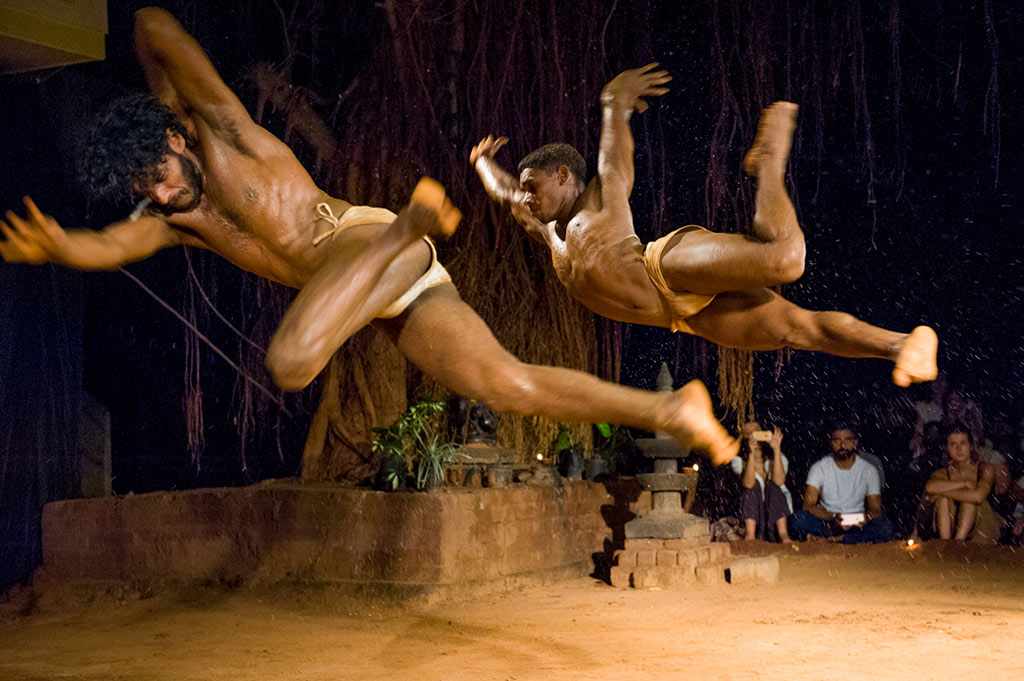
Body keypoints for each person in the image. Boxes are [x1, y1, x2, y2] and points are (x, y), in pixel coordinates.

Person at [0, 9, 738, 465]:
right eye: (144, 191)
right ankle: (670, 409)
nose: (160, 194)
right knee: (506, 383)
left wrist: (160, 85)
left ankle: (412, 225)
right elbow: (112, 248)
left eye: (158, 173)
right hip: (380, 289)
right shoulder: (170, 222)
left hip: (366, 243)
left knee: (290, 360)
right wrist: (60, 247)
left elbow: (156, 24)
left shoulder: (221, 132)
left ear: (174, 136)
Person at [471, 64, 938, 387]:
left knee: (787, 260)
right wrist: (482, 163)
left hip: (664, 266)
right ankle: (898, 348)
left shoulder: (599, 197)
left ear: (563, 176)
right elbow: (505, 190)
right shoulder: (544, 226)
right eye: (526, 189)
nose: (528, 197)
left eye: (535, 186)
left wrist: (614, 101)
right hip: (682, 315)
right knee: (795, 330)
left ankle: (769, 163)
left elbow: (614, 154)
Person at [790, 421, 893, 544]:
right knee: (798, 519)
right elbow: (808, 505)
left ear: (855, 443)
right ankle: (841, 539)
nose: (842, 445)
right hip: (828, 521)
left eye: (847, 440)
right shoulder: (819, 467)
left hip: (857, 522)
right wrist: (832, 517)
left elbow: (875, 510)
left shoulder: (869, 470)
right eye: (837, 440)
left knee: (884, 527)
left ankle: (832, 540)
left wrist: (855, 519)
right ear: (831, 443)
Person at [922, 423, 1001, 542]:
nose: (959, 449)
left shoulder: (985, 469)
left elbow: (978, 496)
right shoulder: (943, 472)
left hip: (982, 527)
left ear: (970, 445)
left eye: (963, 443)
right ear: (947, 448)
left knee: (968, 499)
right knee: (942, 500)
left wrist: (944, 492)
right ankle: (946, 542)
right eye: (953, 444)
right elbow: (930, 487)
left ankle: (958, 543)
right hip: (952, 526)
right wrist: (963, 483)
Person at [729, 423, 793, 543]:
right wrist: (751, 454)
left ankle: (784, 535)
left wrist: (777, 449)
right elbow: (748, 484)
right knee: (752, 487)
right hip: (752, 515)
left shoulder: (776, 458)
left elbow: (780, 481)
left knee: (773, 486)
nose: (753, 436)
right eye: (749, 433)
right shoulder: (738, 461)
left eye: (757, 432)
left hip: (776, 515)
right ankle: (750, 535)